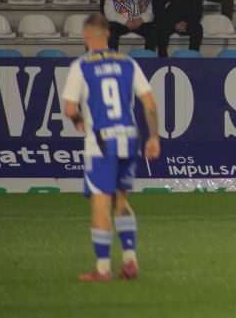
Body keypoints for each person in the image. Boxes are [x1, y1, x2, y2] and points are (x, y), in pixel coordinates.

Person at [61, 15, 161, 281]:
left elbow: (69, 108)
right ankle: (129, 260)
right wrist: (154, 137)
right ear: (108, 34)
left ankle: (103, 268)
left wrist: (78, 118)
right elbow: (149, 102)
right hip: (129, 137)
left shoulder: (82, 66)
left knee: (100, 202)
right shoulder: (127, 62)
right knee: (121, 199)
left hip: (102, 142)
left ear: (86, 35)